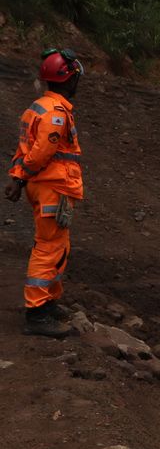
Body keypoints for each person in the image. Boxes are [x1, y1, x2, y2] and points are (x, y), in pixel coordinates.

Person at [4, 49, 85, 338]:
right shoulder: (56, 114)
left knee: (58, 243)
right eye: (75, 78)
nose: (77, 83)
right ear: (67, 80)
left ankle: (48, 302)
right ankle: (37, 314)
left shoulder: (35, 108)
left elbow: (22, 149)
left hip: (47, 186)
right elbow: (39, 153)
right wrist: (22, 176)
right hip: (53, 186)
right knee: (49, 246)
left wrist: (17, 177)